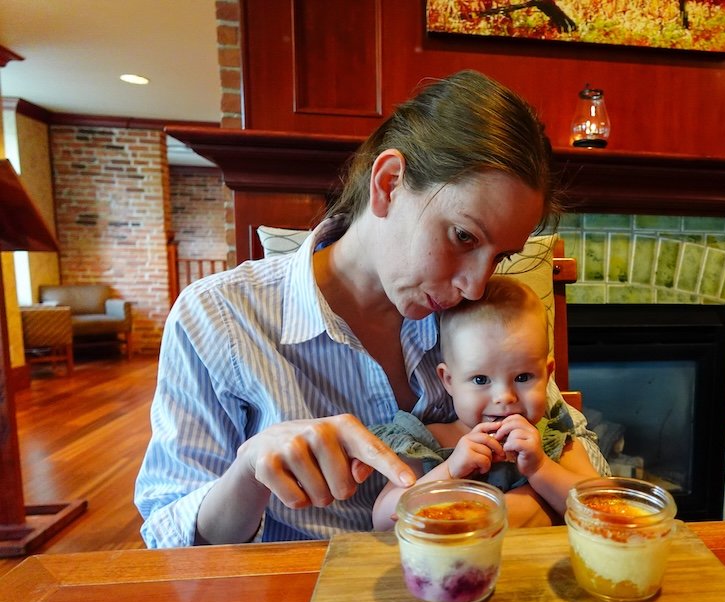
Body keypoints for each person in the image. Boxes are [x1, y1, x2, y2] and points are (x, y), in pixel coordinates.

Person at [134, 70, 609, 547]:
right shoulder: (220, 317)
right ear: (388, 184)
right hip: (298, 599)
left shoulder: (484, 319)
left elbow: (579, 456)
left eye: (500, 257)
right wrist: (250, 469)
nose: (473, 286)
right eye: (463, 236)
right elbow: (169, 543)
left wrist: (524, 505)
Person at [371, 276, 599, 530]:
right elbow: (382, 520)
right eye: (480, 379)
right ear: (449, 381)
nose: (505, 397)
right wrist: (450, 471)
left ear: (546, 375)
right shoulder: (428, 443)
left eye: (523, 377)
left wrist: (540, 468)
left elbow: (597, 509)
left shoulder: (553, 440)